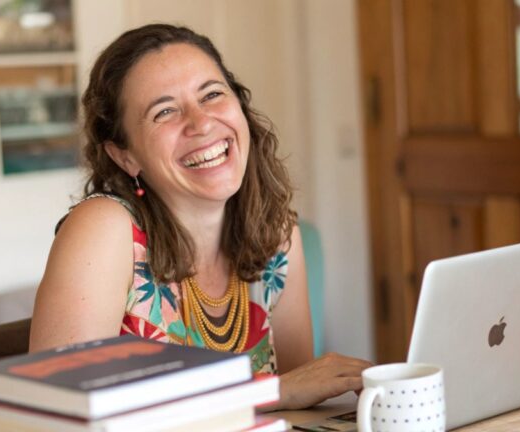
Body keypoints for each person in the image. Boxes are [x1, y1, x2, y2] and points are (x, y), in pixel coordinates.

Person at [29, 23, 371, 410]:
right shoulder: (104, 228)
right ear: (125, 155)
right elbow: (58, 409)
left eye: (211, 95)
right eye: (165, 112)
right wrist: (270, 392)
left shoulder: (277, 234)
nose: (201, 122)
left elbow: (300, 399)